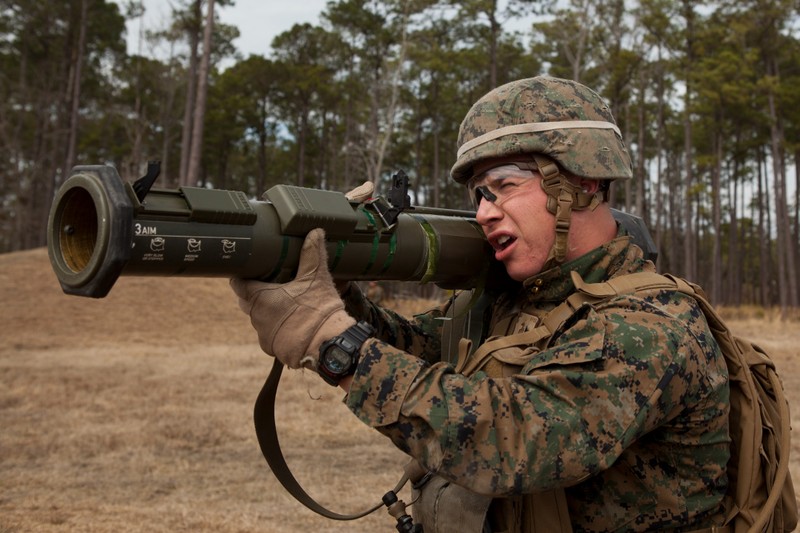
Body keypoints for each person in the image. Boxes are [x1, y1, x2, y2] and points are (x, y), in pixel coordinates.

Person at [231, 76, 730, 533]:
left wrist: (336, 344)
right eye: (478, 195)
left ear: (583, 182)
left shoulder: (650, 327)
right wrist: (336, 295)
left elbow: (515, 439)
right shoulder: (519, 299)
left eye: (505, 186)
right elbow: (417, 347)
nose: (485, 213)